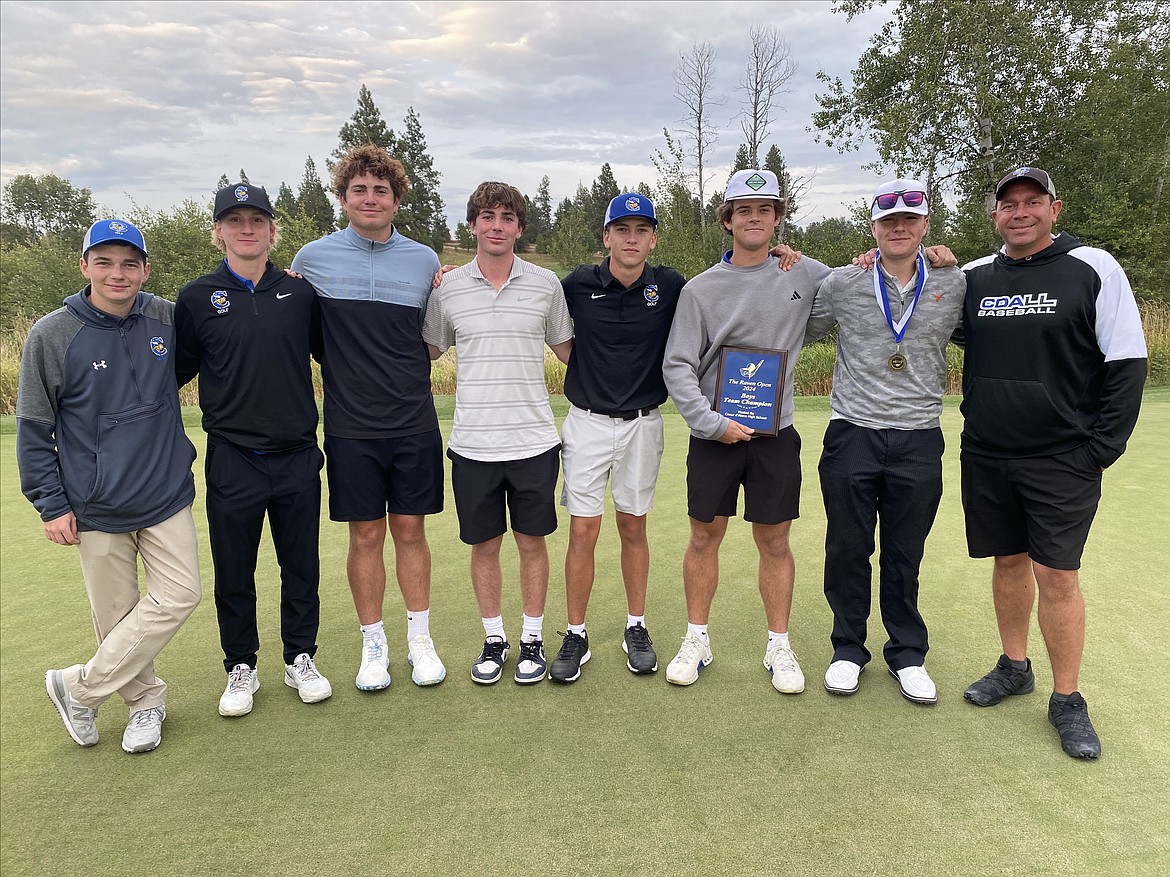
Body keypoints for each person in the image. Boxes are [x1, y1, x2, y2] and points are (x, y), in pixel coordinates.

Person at [958, 167, 1147, 758]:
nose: (1020, 212)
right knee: (1008, 562)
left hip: (1062, 458)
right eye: (1008, 204)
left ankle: (1067, 700)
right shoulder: (974, 278)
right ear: (994, 216)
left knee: (1057, 577)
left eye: (1032, 201)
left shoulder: (1092, 267)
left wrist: (1100, 450)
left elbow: (1127, 362)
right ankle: (1015, 666)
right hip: (988, 452)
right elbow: (910, 288)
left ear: (1054, 209)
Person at [18, 219, 201, 753]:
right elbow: (34, 426)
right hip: (94, 501)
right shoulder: (54, 334)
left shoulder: (166, 318)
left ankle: (78, 687)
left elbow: (225, 321)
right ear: (84, 267)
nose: (116, 274)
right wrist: (50, 505)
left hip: (164, 490)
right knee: (116, 616)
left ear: (145, 269)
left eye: (129, 263)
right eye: (104, 262)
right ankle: (144, 704)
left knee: (181, 593)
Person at [662, 169, 831, 692]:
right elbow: (677, 366)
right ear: (728, 220)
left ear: (778, 219)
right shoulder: (700, 290)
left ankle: (778, 644)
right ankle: (697, 638)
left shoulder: (804, 274)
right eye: (743, 210)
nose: (753, 218)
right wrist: (711, 424)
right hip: (714, 436)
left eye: (765, 209)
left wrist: (934, 259)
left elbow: (859, 280)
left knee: (775, 542)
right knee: (703, 537)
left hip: (775, 435)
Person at [804, 180, 966, 704]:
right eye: (887, 219)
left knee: (904, 551)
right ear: (873, 227)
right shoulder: (844, 282)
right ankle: (848, 649)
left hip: (919, 435)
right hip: (853, 432)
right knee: (848, 548)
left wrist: (951, 260)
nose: (899, 226)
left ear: (924, 226)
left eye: (909, 218)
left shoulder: (954, 281)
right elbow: (800, 328)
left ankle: (907, 653)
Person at [291, 146, 447, 691]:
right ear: (343, 198)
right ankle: (373, 648)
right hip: (350, 425)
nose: (370, 198)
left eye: (381, 190)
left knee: (410, 530)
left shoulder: (425, 260)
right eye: (359, 189)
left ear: (397, 200)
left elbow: (430, 340)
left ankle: (419, 642)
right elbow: (310, 340)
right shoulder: (312, 259)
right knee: (364, 536)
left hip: (413, 420)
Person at [175, 183, 331, 717]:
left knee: (300, 566)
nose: (247, 229)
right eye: (235, 220)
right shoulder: (197, 298)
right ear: (218, 231)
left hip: (296, 455)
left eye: (257, 220)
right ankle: (240, 665)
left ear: (271, 230)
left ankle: (300, 657)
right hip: (233, 456)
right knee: (235, 570)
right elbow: (171, 374)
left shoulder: (300, 292)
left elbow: (334, 356)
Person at [422, 181, 573, 685]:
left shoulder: (546, 285)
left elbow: (571, 351)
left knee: (533, 542)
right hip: (473, 444)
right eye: (486, 217)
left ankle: (532, 639)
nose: (496, 226)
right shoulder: (447, 289)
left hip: (533, 441)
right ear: (472, 226)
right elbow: (427, 352)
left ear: (520, 229)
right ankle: (495, 638)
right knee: (484, 546)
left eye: (507, 218)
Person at [548, 193, 685, 683]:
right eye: (622, 229)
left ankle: (636, 625)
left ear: (652, 238)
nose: (632, 238)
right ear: (606, 237)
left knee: (633, 525)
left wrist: (782, 256)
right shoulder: (576, 285)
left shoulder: (669, 285)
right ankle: (575, 633)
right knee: (583, 529)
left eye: (641, 230)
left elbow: (723, 286)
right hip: (586, 422)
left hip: (644, 423)